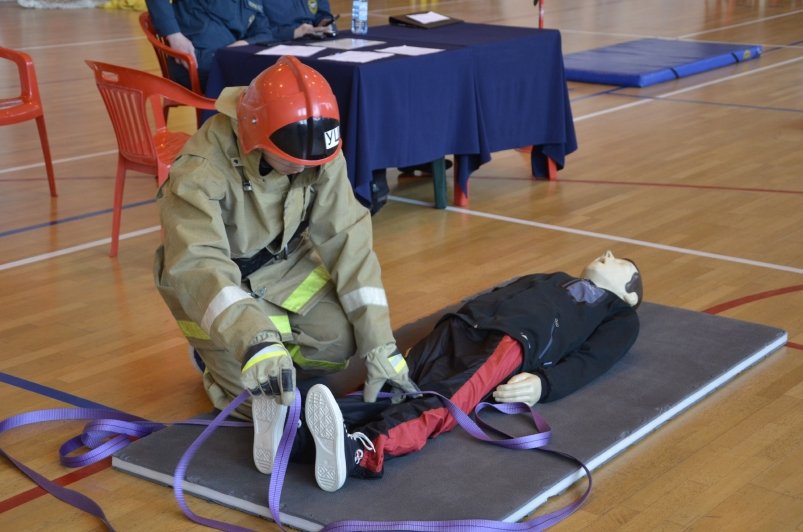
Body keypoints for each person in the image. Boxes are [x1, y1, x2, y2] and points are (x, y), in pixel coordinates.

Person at [153, 56, 419, 475]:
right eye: (293, 163)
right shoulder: (200, 170)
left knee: (339, 338)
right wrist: (254, 341)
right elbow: (198, 263)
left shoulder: (316, 151)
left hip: (282, 267)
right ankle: (220, 360)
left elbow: (348, 238)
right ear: (254, 139)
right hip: (214, 286)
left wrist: (379, 341)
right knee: (254, 393)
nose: (305, 171)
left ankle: (276, 361)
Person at [262, 250, 642, 492]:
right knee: (395, 378)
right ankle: (305, 436)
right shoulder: (552, 274)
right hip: (463, 324)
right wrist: (459, 316)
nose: (608, 253)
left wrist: (545, 384)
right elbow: (500, 292)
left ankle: (366, 450)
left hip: (511, 343)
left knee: (440, 400)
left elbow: (593, 361)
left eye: (621, 262)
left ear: (631, 295)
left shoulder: (619, 314)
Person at [144, 0, 278, 90]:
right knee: (262, 81)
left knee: (275, 74)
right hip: (195, 60)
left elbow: (264, 32)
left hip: (227, 58)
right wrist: (173, 35)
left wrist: (243, 43)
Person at [262, 0, 339, 42]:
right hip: (280, 43)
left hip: (313, 40)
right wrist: (293, 32)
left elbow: (322, 13)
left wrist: (323, 22)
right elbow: (256, 31)